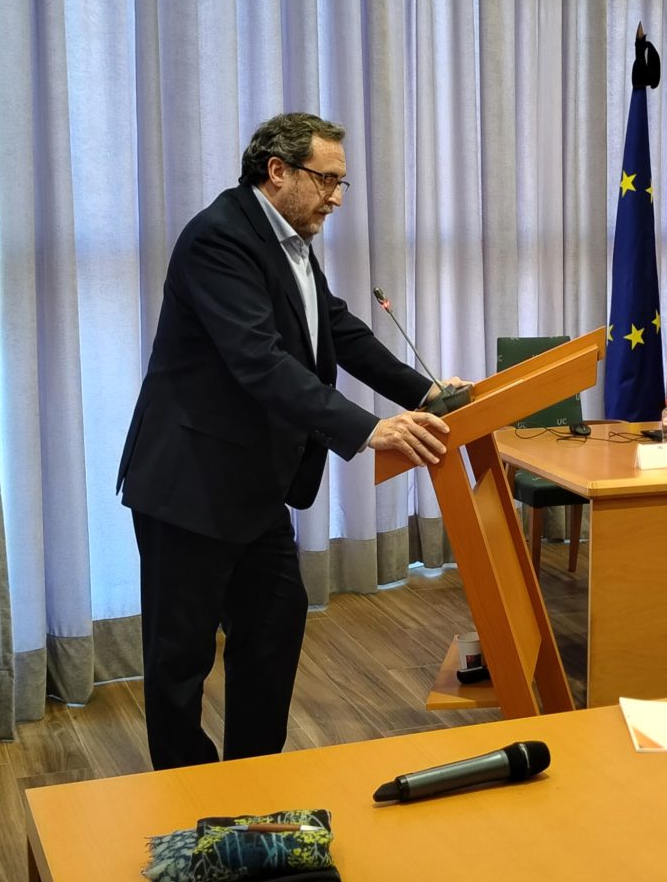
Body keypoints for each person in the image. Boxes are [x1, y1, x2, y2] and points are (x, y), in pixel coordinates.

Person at [117, 112, 464, 769]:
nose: (336, 197)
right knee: (179, 660)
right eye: (326, 180)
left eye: (341, 183)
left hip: (252, 486)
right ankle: (188, 796)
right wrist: (366, 429)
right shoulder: (218, 238)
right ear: (277, 171)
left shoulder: (292, 240)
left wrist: (423, 393)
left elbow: (338, 330)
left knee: (273, 631)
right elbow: (261, 360)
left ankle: (254, 783)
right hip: (188, 486)